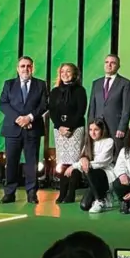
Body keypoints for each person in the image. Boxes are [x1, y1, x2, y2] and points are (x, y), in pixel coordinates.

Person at [0, 56, 48, 204]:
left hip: (32, 129)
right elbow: (3, 104)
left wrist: (30, 118)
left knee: (31, 163)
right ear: (17, 68)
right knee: (11, 162)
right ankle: (9, 193)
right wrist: (19, 119)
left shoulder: (41, 84)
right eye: (22, 66)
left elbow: (44, 105)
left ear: (32, 68)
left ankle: (32, 193)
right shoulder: (9, 84)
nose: (25, 69)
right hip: (12, 130)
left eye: (28, 66)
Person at [49, 62, 87, 203]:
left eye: (68, 71)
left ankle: (71, 194)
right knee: (63, 161)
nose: (65, 74)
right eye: (62, 71)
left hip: (76, 129)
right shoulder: (55, 91)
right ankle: (62, 192)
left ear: (74, 74)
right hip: (59, 130)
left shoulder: (80, 90)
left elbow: (81, 111)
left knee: (74, 162)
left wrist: (70, 127)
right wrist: (59, 126)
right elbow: (52, 111)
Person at [87, 54, 130, 157]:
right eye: (107, 62)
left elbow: (127, 108)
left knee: (117, 155)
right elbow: (92, 106)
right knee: (97, 155)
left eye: (113, 63)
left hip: (115, 127)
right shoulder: (96, 83)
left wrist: (122, 127)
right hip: (98, 127)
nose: (109, 65)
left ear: (118, 66)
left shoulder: (125, 83)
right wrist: (90, 126)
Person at [73, 119, 116, 213]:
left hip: (106, 174)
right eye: (90, 129)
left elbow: (101, 162)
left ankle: (99, 200)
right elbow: (82, 157)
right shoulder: (88, 143)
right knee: (84, 206)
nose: (92, 132)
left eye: (96, 129)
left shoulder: (109, 141)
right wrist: (82, 160)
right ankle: (103, 196)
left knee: (88, 169)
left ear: (102, 130)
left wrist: (75, 165)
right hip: (93, 177)